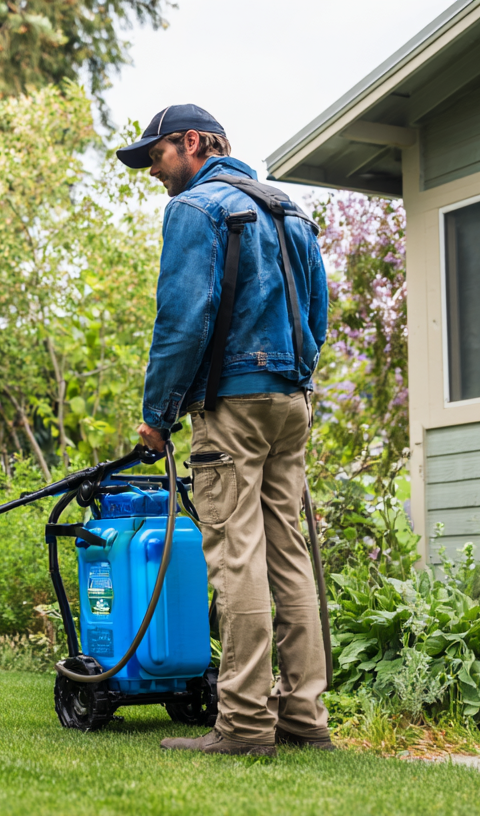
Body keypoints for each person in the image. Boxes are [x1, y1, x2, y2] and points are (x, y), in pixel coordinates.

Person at [116, 105, 332, 757]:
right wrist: (291, 376)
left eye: (156, 155)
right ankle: (303, 718)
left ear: (193, 143)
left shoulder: (196, 209)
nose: (153, 170)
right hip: (290, 401)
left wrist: (158, 415)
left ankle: (242, 724)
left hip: (232, 406)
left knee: (236, 554)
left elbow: (183, 320)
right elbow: (318, 309)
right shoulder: (287, 209)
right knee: (286, 553)